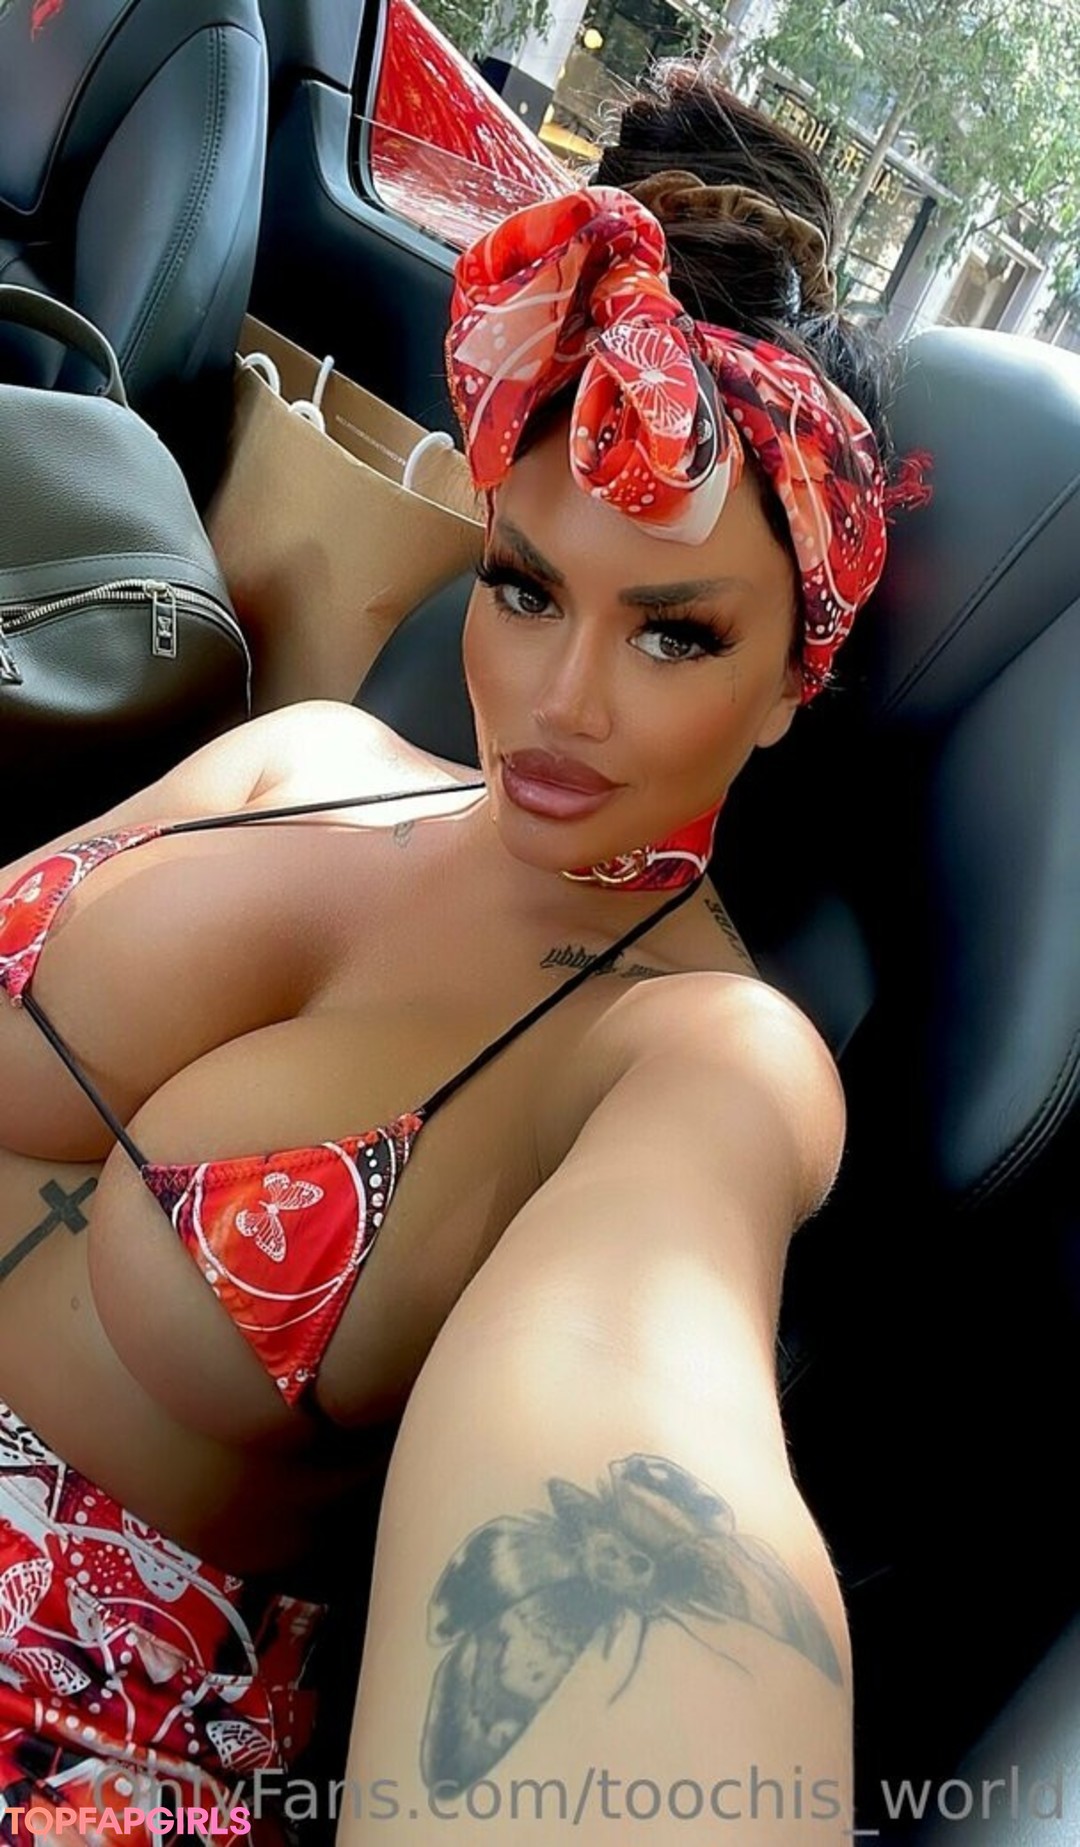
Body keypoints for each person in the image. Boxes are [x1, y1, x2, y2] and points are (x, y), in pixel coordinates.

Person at [0, 62, 925, 1846]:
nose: (561, 701)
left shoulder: (701, 1051)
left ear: (792, 680)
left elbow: (637, 1423)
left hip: (69, 1723)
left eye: (675, 634)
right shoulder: (304, 754)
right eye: (523, 586)